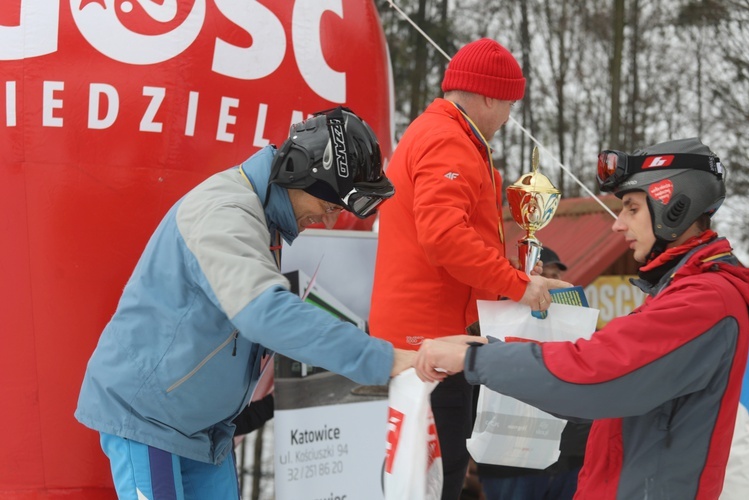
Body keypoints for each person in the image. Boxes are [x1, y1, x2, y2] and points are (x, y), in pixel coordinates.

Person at [75, 107, 414, 499]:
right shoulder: (226, 213)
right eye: (333, 206)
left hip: (203, 429)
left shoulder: (264, 218)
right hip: (150, 419)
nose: (330, 220)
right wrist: (382, 359)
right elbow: (264, 314)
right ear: (306, 176)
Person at [415, 137, 749, 499]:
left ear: (675, 206)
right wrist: (488, 347)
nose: (617, 225)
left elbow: (595, 373)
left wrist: (474, 359)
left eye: (632, 208)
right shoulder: (684, 292)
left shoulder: (704, 301)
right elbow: (597, 373)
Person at [369, 38, 569, 500]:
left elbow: (452, 241)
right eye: (509, 104)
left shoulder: (438, 132)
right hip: (430, 345)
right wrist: (518, 285)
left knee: (419, 475)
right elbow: (444, 239)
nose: (508, 118)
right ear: (488, 96)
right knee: (434, 479)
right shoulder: (448, 139)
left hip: (423, 337)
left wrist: (514, 286)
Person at [475, 247, 591, 500]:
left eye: (555, 277)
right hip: (509, 464)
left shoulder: (574, 324)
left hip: (570, 457)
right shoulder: (493, 323)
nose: (551, 286)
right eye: (544, 277)